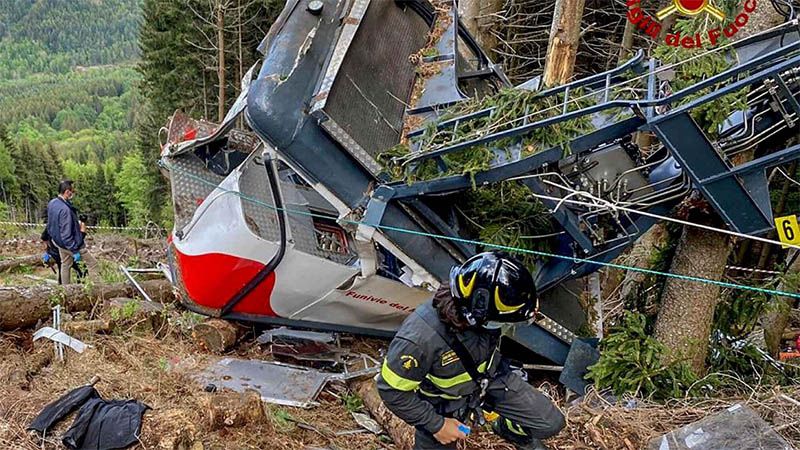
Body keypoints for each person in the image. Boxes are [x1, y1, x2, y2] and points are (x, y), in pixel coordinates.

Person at [377, 251, 565, 450]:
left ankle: (508, 429)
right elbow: (391, 391)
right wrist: (436, 425)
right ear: (476, 315)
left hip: (490, 380)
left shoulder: (481, 307)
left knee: (550, 423)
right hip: (442, 404)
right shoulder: (419, 340)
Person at [46, 180, 93, 284]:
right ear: (67, 192)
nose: (73, 193)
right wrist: (75, 250)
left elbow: (50, 225)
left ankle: (66, 290)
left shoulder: (52, 203)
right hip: (70, 245)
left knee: (65, 265)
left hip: (58, 243)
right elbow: (66, 234)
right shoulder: (65, 210)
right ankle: (100, 289)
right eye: (73, 191)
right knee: (93, 264)